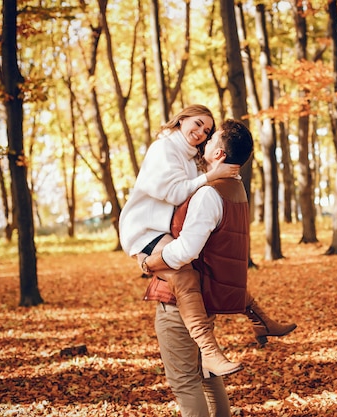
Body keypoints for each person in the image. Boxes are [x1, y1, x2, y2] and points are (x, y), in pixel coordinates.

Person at [119, 105, 243, 377]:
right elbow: (176, 193)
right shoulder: (163, 149)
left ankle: (260, 320)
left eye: (207, 131)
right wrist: (212, 176)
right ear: (182, 119)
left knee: (207, 268)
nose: (200, 133)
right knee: (184, 275)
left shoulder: (189, 156)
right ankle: (210, 352)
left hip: (164, 228)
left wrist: (223, 173)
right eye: (197, 124)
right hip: (145, 228)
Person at [142, 119, 256, 416]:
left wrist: (150, 262)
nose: (203, 143)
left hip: (177, 298)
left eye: (210, 139)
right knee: (206, 374)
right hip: (202, 295)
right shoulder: (235, 189)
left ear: (219, 153)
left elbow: (185, 250)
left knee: (185, 380)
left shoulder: (209, 193)